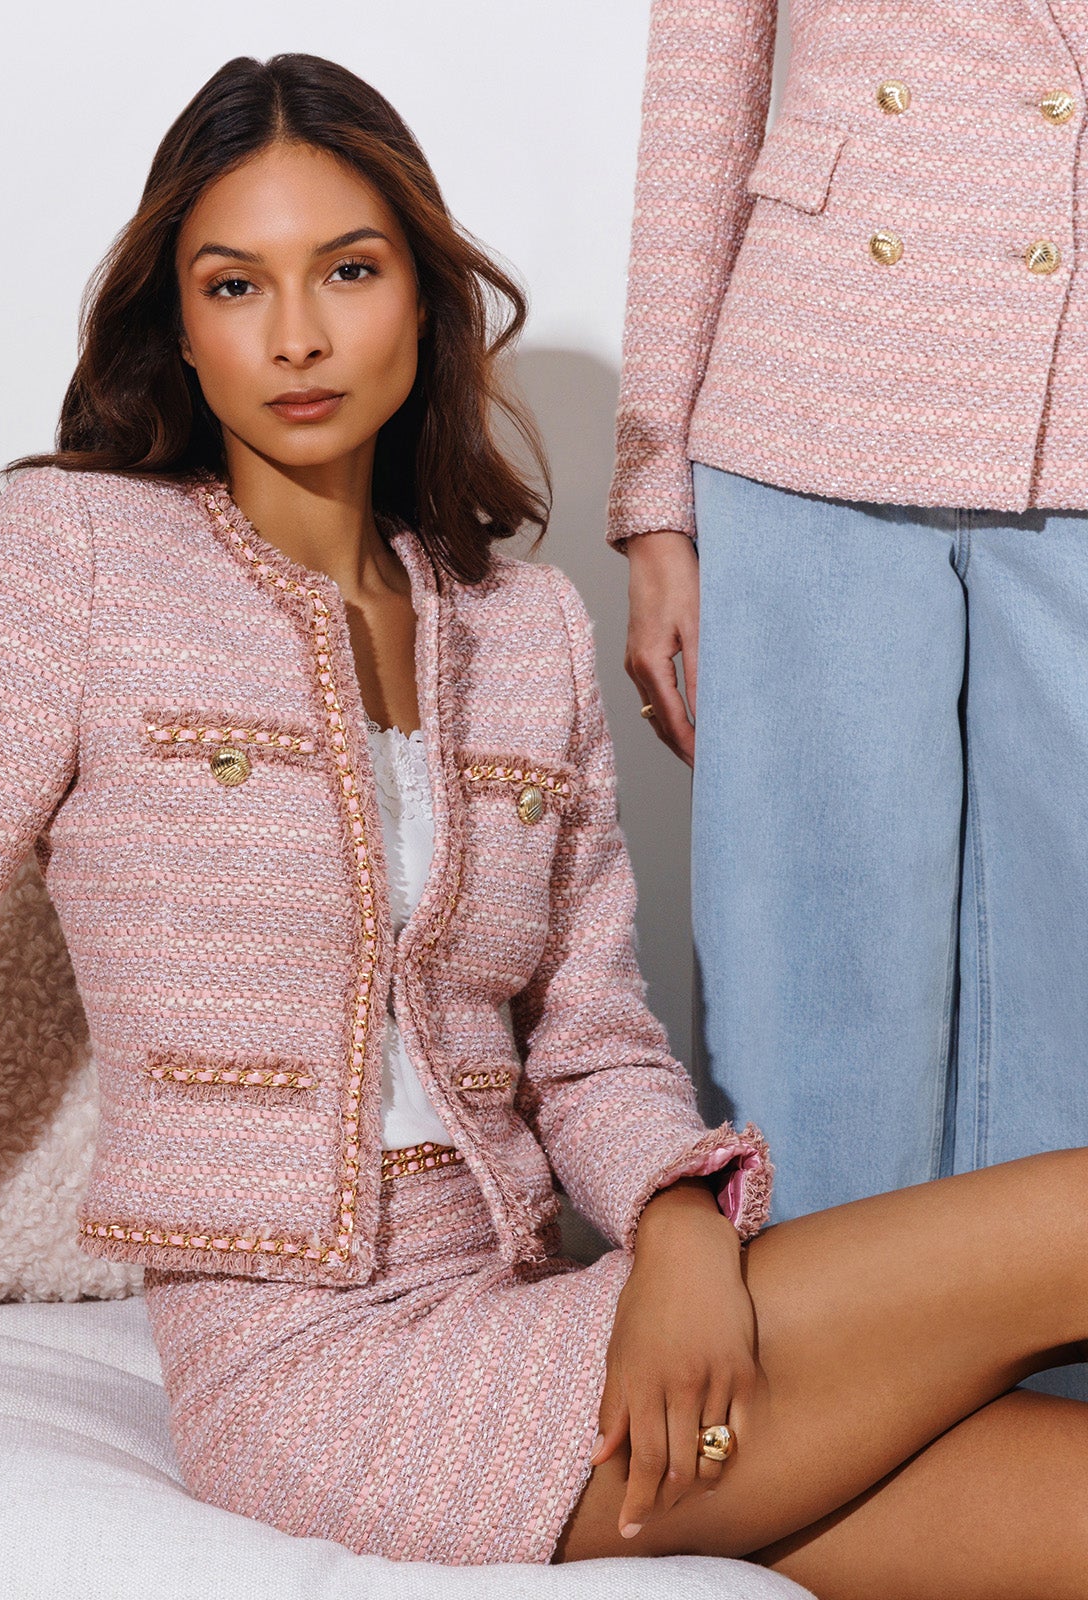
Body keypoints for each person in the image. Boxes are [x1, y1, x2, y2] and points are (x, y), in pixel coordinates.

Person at [0, 53, 1087, 1593]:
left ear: (423, 301)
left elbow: (591, 1040)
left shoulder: (524, 628)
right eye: (236, 285)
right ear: (178, 329)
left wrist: (678, 1229)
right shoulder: (76, 559)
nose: (299, 334)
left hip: (539, 1312)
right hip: (313, 1385)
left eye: (350, 270)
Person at [612, 3, 1088, 1233]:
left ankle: (1046, 1359)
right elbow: (699, 101)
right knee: (809, 1012)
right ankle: (812, 1344)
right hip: (810, 394)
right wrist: (655, 502)